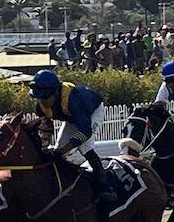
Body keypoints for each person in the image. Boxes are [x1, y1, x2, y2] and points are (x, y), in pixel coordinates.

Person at [27, 68, 116, 203]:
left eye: (45, 96)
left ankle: (105, 186)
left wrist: (66, 149)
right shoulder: (41, 106)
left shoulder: (75, 99)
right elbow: (45, 128)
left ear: (55, 92)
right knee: (58, 148)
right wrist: (44, 143)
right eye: (39, 97)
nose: (42, 101)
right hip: (73, 117)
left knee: (84, 147)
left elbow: (85, 131)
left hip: (92, 112)